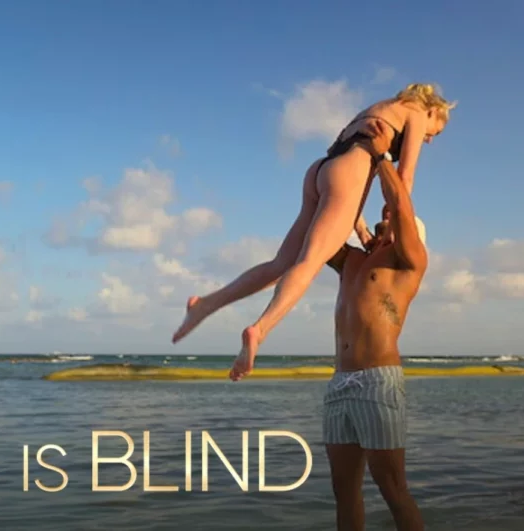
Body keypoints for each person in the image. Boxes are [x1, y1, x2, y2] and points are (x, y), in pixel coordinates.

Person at [170, 83, 454, 380]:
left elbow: (341, 160)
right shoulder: (416, 112)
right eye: (435, 132)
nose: (430, 139)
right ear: (433, 110)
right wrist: (394, 223)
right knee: (310, 262)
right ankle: (259, 330)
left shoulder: (377, 109)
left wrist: (359, 227)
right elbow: (404, 180)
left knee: (281, 264)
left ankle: (206, 304)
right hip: (350, 171)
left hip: (322, 169)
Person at [320, 127, 428, 531]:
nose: (385, 216)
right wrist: (345, 167)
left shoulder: (408, 260)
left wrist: (380, 157)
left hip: (377, 382)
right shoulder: (352, 261)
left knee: (392, 488)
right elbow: (325, 231)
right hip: (340, 384)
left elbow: (400, 204)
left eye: (391, 219)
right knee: (343, 490)